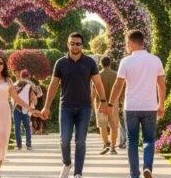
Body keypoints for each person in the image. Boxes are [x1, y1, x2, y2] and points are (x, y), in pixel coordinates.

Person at [41, 33, 108, 178]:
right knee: (64, 140)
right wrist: (46, 106)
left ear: (82, 45)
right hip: (66, 107)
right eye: (72, 43)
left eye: (78, 44)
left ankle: (78, 173)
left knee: (80, 141)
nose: (75, 46)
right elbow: (53, 86)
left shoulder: (90, 62)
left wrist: (103, 102)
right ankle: (67, 163)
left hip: (84, 107)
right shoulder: (60, 63)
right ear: (68, 44)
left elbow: (98, 83)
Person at [107, 30, 165, 178]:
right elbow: (161, 85)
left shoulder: (126, 62)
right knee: (149, 139)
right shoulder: (155, 60)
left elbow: (118, 85)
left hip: (131, 107)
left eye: (127, 43)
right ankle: (147, 167)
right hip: (150, 107)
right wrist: (161, 105)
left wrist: (110, 104)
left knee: (132, 142)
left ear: (132, 43)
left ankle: (134, 174)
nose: (126, 46)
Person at [0, 55, 43, 178]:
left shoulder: (8, 81)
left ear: (4, 66)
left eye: (0, 63)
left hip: (4, 110)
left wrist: (31, 109)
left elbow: (16, 98)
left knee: (2, 136)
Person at [92, 56, 122, 155]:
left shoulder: (97, 75)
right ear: (110, 63)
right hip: (113, 103)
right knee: (114, 126)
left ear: (101, 64)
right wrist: (120, 101)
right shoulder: (116, 75)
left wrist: (91, 103)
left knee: (102, 125)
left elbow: (93, 91)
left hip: (100, 103)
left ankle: (106, 144)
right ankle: (113, 147)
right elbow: (121, 89)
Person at [12, 69, 41, 150]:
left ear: (20, 75)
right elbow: (39, 93)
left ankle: (19, 145)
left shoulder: (15, 84)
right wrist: (32, 101)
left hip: (16, 108)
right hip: (26, 108)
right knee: (27, 127)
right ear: (28, 76)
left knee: (17, 127)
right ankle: (28, 144)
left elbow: (11, 96)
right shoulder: (31, 84)